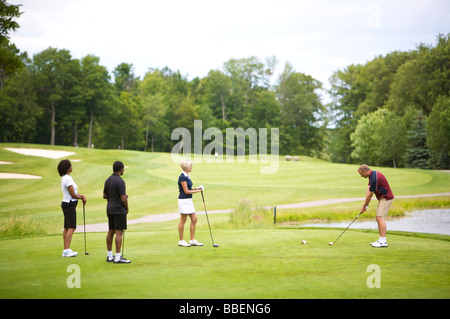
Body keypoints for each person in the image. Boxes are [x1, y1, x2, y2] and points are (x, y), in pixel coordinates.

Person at [358, 164, 394, 247]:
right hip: (382, 198)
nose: (361, 176)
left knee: (380, 218)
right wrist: (365, 205)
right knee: (378, 218)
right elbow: (368, 190)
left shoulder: (374, 178)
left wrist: (365, 205)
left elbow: (370, 195)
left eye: (361, 174)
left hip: (386, 198)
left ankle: (383, 241)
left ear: (365, 171)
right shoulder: (372, 175)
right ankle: (381, 239)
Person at [57, 159, 87, 257]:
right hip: (69, 204)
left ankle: (66, 249)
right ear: (68, 168)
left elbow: (74, 193)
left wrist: (81, 196)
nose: (72, 167)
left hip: (67, 203)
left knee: (66, 227)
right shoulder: (67, 179)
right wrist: (82, 197)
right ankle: (67, 249)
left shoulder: (66, 178)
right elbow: (73, 195)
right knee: (72, 227)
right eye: (70, 165)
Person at [103, 161, 131, 263]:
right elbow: (123, 199)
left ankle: (110, 256)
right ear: (121, 169)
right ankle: (118, 257)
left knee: (111, 231)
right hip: (119, 210)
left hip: (110, 208)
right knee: (119, 232)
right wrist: (127, 208)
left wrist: (112, 199)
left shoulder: (108, 180)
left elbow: (104, 196)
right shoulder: (120, 181)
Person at [178, 159, 204, 247]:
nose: (191, 167)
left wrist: (197, 188)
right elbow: (186, 191)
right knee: (183, 220)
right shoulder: (182, 177)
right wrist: (198, 191)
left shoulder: (187, 176)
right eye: (190, 166)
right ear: (186, 167)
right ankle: (181, 240)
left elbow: (190, 188)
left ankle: (192, 240)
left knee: (194, 219)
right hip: (183, 200)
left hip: (188, 201)